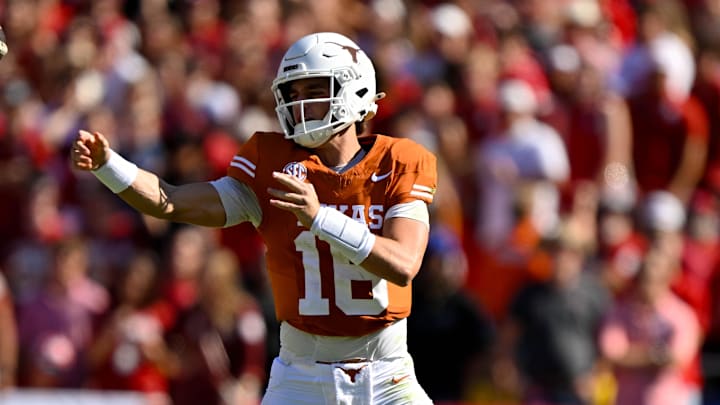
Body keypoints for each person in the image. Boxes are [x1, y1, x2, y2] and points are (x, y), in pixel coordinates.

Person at [70, 32, 437, 404]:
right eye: (293, 94)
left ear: (354, 90)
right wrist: (107, 165)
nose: (299, 104)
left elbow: (403, 264)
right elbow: (172, 202)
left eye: (312, 90)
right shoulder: (272, 163)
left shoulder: (399, 162)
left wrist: (319, 217)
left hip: (387, 375)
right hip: (301, 375)